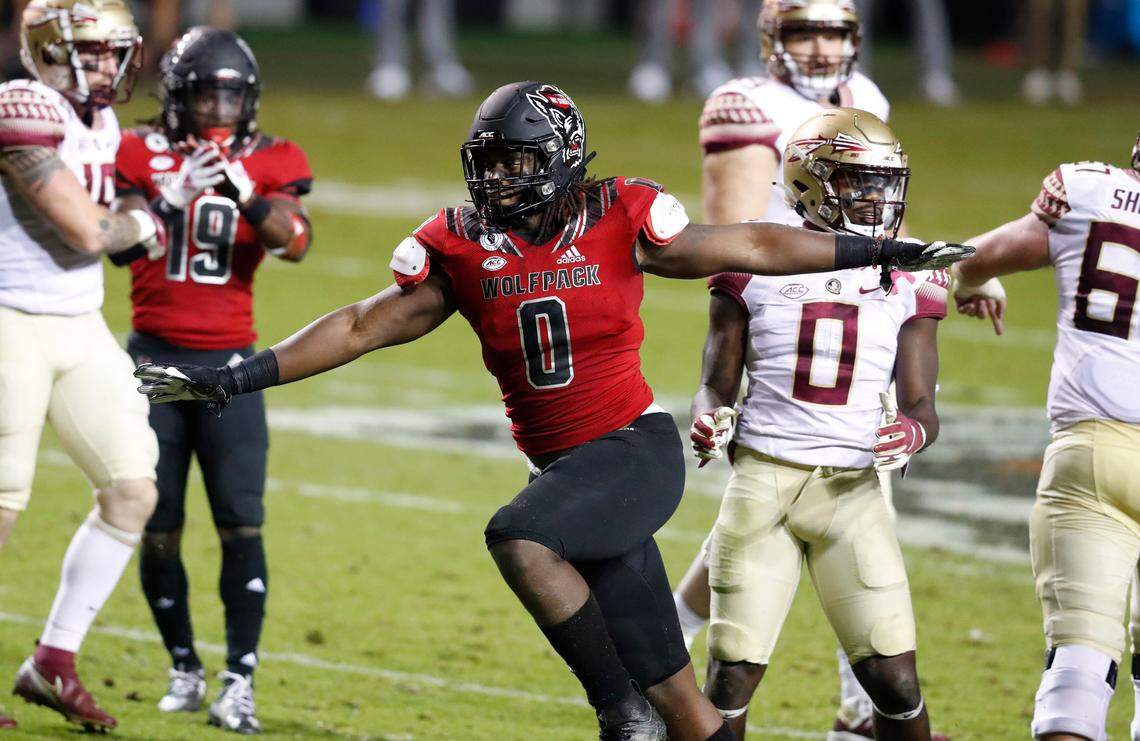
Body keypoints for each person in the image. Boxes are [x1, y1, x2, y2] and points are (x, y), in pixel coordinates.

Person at [133, 81, 969, 740]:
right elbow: (358, 326)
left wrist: (879, 248)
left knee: (520, 538)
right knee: (692, 712)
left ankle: (616, 710)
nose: (496, 177)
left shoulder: (622, 215)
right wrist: (237, 377)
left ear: (562, 158)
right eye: (487, 161)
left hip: (633, 452)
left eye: (515, 161)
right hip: (568, 475)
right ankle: (641, 714)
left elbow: (753, 242)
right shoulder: (460, 243)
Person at [692, 108, 945, 741]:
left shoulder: (910, 271)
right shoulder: (751, 259)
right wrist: (709, 420)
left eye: (886, 183)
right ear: (810, 181)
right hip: (762, 487)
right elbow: (714, 385)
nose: (878, 198)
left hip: (853, 492)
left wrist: (912, 432)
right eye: (860, 181)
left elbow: (920, 404)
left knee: (895, 678)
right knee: (730, 676)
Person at [112, 26, 312, 734]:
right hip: (154, 364)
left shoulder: (271, 157)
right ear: (177, 95)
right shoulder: (136, 150)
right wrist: (168, 194)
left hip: (233, 367)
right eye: (206, 93)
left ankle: (240, 679)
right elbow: (117, 237)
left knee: (240, 520)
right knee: (157, 525)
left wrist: (247, 196)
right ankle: (183, 666)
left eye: (232, 94)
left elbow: (296, 241)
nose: (220, 108)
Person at [0, 0, 168, 731]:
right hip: (7, 316)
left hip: (77, 321)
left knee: (132, 490)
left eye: (113, 52)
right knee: (2, 503)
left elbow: (119, 203)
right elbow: (87, 226)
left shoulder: (100, 119)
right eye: (90, 52)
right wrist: (139, 223)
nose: (107, 66)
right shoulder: (22, 105)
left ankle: (53, 660)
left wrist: (138, 210)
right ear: (46, 51)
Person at [951, 137, 1140, 741]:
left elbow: (972, 258)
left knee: (1080, 669)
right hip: (1094, 452)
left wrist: (974, 281)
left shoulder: (1091, 195)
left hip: (1093, 454)